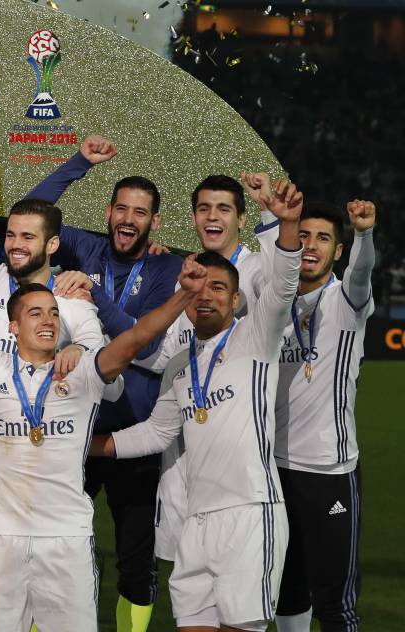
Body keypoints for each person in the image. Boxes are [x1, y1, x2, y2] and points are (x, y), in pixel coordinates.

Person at [0, 241, 208, 631]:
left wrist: (185, 292)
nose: (47, 320)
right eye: (35, 313)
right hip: (4, 538)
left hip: (67, 538)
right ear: (13, 327)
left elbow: (136, 340)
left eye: (53, 313)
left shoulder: (84, 372)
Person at [92, 180, 304, 632]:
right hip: (194, 522)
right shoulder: (179, 367)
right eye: (197, 289)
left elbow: (283, 287)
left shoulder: (256, 339)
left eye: (218, 288)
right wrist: (90, 445)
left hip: (249, 514)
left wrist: (286, 227)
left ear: (236, 299)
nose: (206, 296)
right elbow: (155, 433)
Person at [23, 136, 184, 632]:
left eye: (140, 212)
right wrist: (79, 163)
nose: (128, 219)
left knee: (136, 561)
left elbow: (134, 338)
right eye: (121, 208)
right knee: (52, 547)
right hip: (73, 430)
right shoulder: (83, 244)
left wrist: (92, 291)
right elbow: (31, 213)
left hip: (131, 437)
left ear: (154, 221)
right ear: (109, 211)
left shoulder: (165, 266)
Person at [272, 200, 376, 632]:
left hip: (329, 471)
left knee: (334, 602)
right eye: (306, 235)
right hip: (274, 469)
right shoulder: (274, 305)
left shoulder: (346, 302)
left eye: (324, 238)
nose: (312, 245)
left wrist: (364, 234)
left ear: (338, 251)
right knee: (286, 589)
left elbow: (362, 270)